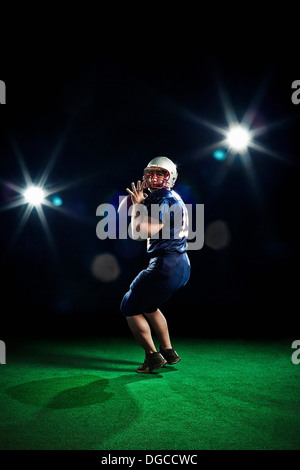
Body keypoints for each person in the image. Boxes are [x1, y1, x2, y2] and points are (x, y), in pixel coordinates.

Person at [120, 156, 191, 373]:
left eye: (160, 173)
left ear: (170, 176)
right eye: (150, 172)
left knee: (129, 306)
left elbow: (141, 233)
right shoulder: (169, 196)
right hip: (181, 265)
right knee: (149, 306)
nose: (153, 177)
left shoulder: (162, 199)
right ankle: (168, 351)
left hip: (165, 265)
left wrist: (138, 207)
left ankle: (152, 357)